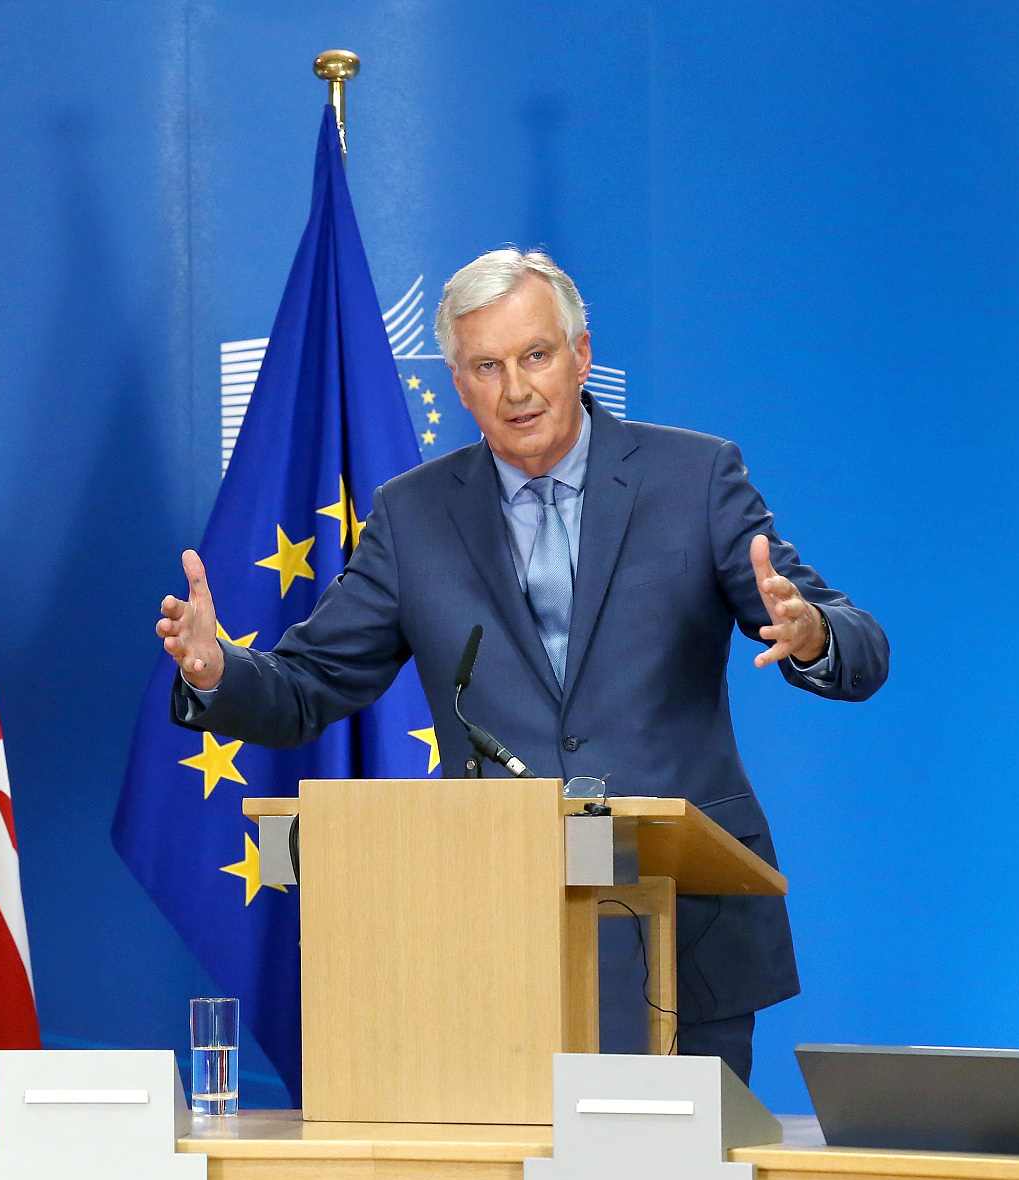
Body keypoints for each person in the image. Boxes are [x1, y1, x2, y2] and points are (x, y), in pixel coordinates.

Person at [154, 249, 888, 1083]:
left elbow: (859, 645)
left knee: (680, 1170)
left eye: (536, 356)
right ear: (460, 385)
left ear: (580, 355)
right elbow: (306, 685)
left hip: (685, 929)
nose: (516, 390)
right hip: (496, 935)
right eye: (487, 367)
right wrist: (215, 671)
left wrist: (812, 635)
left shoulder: (695, 478)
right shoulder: (413, 515)